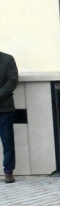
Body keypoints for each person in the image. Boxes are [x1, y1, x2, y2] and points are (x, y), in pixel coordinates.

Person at [0, 50, 18, 183]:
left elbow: (12, 81)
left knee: (8, 142)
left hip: (4, 109)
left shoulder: (7, 59)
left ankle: (8, 171)